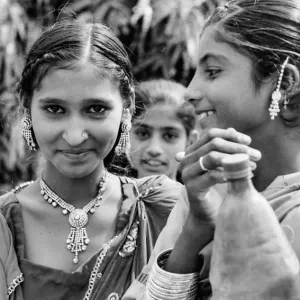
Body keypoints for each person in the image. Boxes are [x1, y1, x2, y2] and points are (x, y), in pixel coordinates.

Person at [123, 0, 300, 299]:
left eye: (213, 71)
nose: (190, 92)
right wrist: (194, 231)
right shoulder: (206, 190)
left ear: (285, 83)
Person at [0, 19, 182, 300]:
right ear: (26, 106)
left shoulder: (165, 209)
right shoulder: (4, 225)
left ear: (126, 108)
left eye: (96, 109)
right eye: (54, 109)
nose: (74, 136)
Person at [128, 79, 196, 181]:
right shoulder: (103, 195)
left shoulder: (201, 197)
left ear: (190, 143)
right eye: (142, 133)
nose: (154, 149)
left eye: (170, 136)